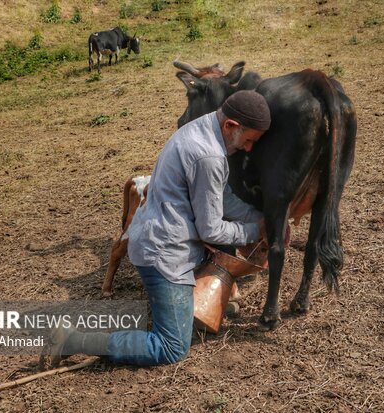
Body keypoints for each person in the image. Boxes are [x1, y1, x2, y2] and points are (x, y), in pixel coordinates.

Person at [40, 90, 271, 369]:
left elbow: (222, 198)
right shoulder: (209, 156)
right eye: (248, 141)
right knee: (171, 347)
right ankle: (73, 340)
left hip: (156, 235)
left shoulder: (200, 127)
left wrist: (258, 218)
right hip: (164, 254)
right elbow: (210, 231)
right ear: (231, 125)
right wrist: (252, 232)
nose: (248, 149)